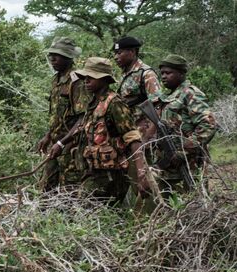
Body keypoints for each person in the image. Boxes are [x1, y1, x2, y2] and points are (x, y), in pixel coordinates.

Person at [50, 57, 150, 202]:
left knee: (86, 209)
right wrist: (61, 144)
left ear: (104, 79)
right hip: (93, 171)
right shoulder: (93, 103)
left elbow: (132, 137)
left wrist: (141, 172)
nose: (86, 81)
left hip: (111, 174)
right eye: (85, 77)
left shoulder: (114, 103)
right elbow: (81, 128)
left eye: (91, 78)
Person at [152, 54, 218, 192]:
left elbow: (208, 124)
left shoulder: (190, 93)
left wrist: (184, 151)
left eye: (168, 73)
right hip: (168, 165)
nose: (164, 76)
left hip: (189, 163)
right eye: (162, 73)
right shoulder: (168, 96)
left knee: (192, 203)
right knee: (168, 205)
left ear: (181, 73)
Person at [36, 37, 89, 189]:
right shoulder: (56, 79)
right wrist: (48, 136)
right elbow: (56, 114)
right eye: (50, 54)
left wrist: (62, 142)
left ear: (68, 57)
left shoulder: (77, 81)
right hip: (56, 143)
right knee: (46, 187)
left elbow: (83, 118)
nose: (52, 58)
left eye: (56, 55)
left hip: (71, 145)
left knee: (70, 191)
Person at [113, 36, 162, 140]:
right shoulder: (125, 73)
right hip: (130, 129)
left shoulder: (147, 74)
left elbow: (158, 106)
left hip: (143, 132)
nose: (115, 57)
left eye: (119, 53)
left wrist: (149, 134)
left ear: (132, 52)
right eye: (115, 53)